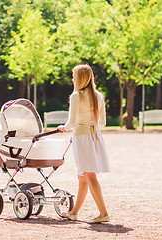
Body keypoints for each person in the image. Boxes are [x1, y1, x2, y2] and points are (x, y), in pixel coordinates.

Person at [57, 64, 111, 224]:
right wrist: (91, 128)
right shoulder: (98, 96)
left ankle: (103, 213)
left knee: (89, 175)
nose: (72, 78)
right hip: (95, 137)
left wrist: (63, 128)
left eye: (73, 75)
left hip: (82, 138)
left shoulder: (76, 96)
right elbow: (103, 123)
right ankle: (74, 212)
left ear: (79, 78)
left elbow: (72, 121)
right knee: (82, 177)